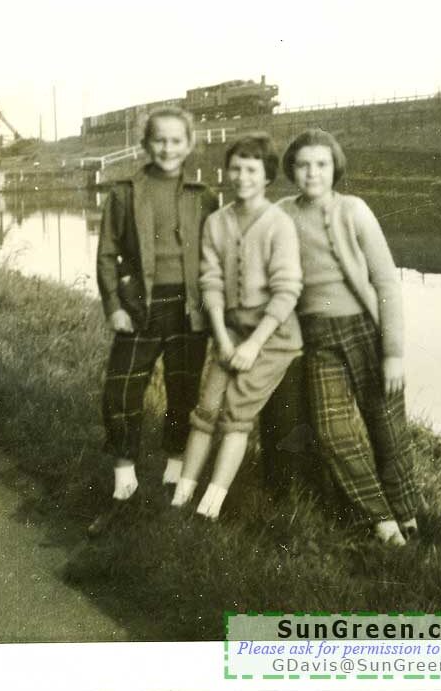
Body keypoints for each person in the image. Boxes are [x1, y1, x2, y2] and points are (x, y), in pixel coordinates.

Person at [276, 129, 420, 546]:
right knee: (333, 430)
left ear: (334, 167)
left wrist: (393, 353)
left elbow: (387, 283)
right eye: (303, 165)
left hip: (364, 329)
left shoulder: (354, 210)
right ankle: (381, 519)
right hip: (317, 339)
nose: (312, 173)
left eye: (321, 164)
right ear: (292, 170)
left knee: (387, 426)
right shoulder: (282, 213)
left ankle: (407, 512)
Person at [90, 106, 218, 536]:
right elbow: (107, 254)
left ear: (189, 145)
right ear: (146, 144)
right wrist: (115, 307)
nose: (168, 148)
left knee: (183, 391)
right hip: (141, 308)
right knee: (121, 389)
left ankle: (173, 474)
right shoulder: (125, 193)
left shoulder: (204, 196)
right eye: (159, 140)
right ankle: (124, 480)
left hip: (189, 309)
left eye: (176, 141)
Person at [171, 133, 302, 520]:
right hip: (229, 333)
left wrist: (251, 346)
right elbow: (209, 283)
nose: (241, 177)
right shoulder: (216, 222)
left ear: (266, 177)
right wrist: (223, 338)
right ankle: (181, 497)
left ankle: (210, 506)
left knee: (236, 413)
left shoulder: (279, 223)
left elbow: (287, 290)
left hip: (272, 337)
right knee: (206, 409)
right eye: (235, 168)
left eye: (251, 170)